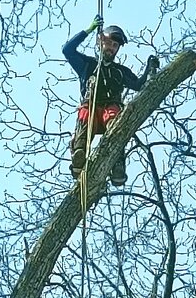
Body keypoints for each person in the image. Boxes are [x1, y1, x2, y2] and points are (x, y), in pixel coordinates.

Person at [63, 17, 159, 185]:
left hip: (109, 109)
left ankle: (117, 162)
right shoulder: (88, 65)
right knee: (85, 113)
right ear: (101, 41)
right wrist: (89, 30)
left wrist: (150, 68)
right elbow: (68, 50)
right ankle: (79, 152)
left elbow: (139, 86)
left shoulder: (120, 72)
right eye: (109, 43)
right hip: (91, 108)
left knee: (114, 115)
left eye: (115, 46)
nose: (111, 48)